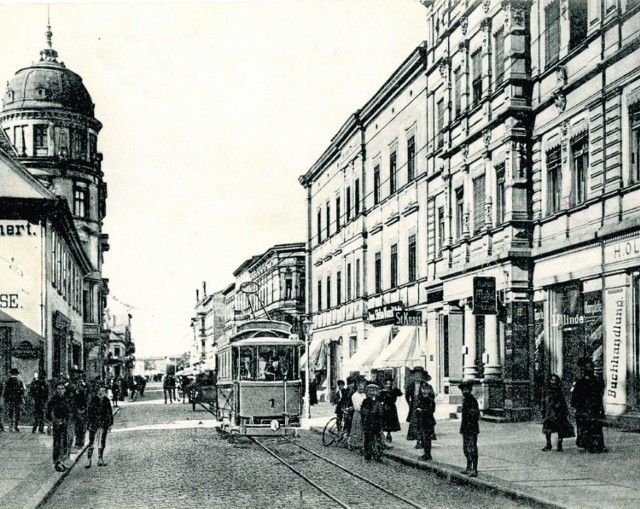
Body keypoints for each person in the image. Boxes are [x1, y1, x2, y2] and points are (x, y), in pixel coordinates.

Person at [571, 358, 607, 453]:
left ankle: (595, 445)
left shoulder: (593, 381)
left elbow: (599, 393)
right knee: (588, 426)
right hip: (587, 407)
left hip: (591, 406)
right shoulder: (583, 382)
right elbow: (576, 396)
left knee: (594, 426)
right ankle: (590, 445)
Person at [542, 374, 574, 452]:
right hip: (549, 413)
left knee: (560, 430)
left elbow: (562, 402)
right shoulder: (546, 390)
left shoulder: (558, 391)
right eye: (551, 380)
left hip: (558, 413)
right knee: (547, 430)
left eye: (554, 380)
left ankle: (559, 445)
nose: (552, 382)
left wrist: (561, 408)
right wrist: (543, 411)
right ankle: (548, 444)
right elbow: (543, 402)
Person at [85, 385, 114, 468]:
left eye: (103, 390)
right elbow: (89, 413)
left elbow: (109, 412)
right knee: (92, 441)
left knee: (102, 441)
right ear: (97, 391)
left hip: (103, 424)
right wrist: (88, 424)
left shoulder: (106, 400)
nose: (102, 392)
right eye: (100, 390)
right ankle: (88, 460)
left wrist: (110, 424)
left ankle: (100, 459)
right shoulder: (93, 400)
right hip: (94, 423)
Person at [406, 366, 434, 448]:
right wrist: (410, 404)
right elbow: (407, 396)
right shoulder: (411, 385)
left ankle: (422, 440)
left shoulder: (426, 385)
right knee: (415, 423)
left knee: (422, 424)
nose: (417, 376)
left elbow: (431, 396)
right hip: (414, 406)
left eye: (419, 374)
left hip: (423, 406)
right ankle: (418, 440)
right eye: (416, 374)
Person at [46, 382, 70, 472]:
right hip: (56, 423)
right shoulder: (53, 400)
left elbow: (68, 412)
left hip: (64, 423)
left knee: (64, 442)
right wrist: (50, 424)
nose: (61, 391)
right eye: (59, 389)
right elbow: (48, 413)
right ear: (56, 390)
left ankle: (63, 461)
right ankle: (56, 462)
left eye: (62, 388)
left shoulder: (66, 399)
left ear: (65, 390)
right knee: (57, 443)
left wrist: (66, 420)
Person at [459, 381, 480, 477]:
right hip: (466, 428)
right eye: (463, 389)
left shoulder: (472, 400)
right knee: (466, 449)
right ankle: (468, 467)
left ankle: (474, 469)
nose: (465, 391)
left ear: (470, 390)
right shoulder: (466, 400)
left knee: (472, 448)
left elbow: (475, 414)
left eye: (467, 389)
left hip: (471, 428)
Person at [361, 383, 385, 462]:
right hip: (368, 422)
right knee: (368, 439)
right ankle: (368, 456)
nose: (372, 392)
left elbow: (381, 411)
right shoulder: (366, 401)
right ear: (367, 392)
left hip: (377, 422)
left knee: (379, 439)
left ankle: (379, 455)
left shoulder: (378, 400)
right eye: (370, 390)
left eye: (374, 390)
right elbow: (364, 412)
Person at [416, 382, 436, 461]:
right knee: (424, 438)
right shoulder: (421, 399)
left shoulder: (430, 400)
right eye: (422, 389)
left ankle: (428, 454)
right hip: (422, 420)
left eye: (425, 390)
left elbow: (431, 410)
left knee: (427, 438)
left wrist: (422, 410)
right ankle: (426, 453)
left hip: (428, 421)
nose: (424, 391)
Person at [379, 378, 402, 443]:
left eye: (389, 384)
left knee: (390, 422)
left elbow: (400, 394)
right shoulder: (382, 392)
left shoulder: (394, 391)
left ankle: (389, 434)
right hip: (385, 407)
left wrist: (395, 387)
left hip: (392, 407)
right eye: (387, 384)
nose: (388, 385)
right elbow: (380, 400)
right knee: (384, 421)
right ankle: (384, 435)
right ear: (385, 384)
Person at [3, 367, 26, 432]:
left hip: (10, 400)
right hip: (17, 400)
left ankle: (10, 426)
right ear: (16, 374)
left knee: (10, 413)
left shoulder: (7, 381)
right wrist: (22, 399)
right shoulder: (19, 382)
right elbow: (22, 392)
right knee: (16, 413)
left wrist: (6, 400)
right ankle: (15, 426)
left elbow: (5, 392)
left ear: (11, 374)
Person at [348, 378, 367, 451]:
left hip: (364, 414)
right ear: (357, 387)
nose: (361, 389)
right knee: (356, 429)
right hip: (358, 414)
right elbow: (356, 407)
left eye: (362, 388)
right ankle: (352, 444)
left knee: (362, 430)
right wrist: (363, 409)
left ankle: (360, 444)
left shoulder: (364, 395)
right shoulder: (354, 396)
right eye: (359, 387)